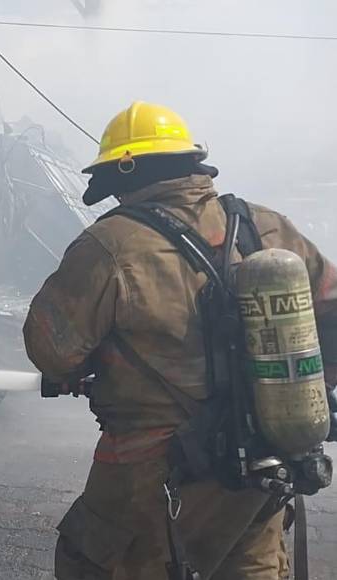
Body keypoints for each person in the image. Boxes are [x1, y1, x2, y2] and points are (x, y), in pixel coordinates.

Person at [22, 101, 337, 579]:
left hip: (152, 478)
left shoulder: (109, 245)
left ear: (125, 173)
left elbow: (52, 350)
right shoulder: (264, 226)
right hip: (261, 465)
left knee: (95, 564)